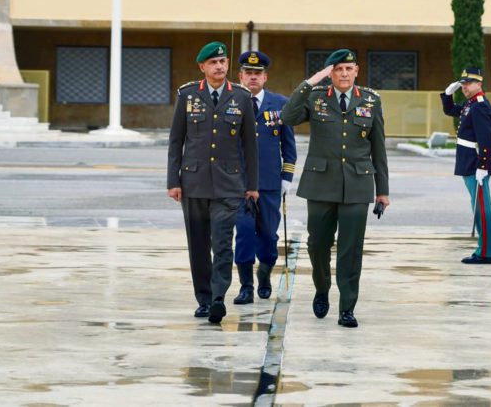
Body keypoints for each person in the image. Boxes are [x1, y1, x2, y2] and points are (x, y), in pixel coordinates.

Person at [280, 48, 390, 329]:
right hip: (320, 184)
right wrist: (310, 82)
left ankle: (347, 308)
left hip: (357, 184)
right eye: (338, 69)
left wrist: (383, 191)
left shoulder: (370, 100)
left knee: (351, 250)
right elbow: (287, 116)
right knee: (317, 244)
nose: (343, 74)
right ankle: (322, 288)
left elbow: (379, 149)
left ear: (356, 72)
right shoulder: (316, 97)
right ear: (331, 73)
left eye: (348, 69)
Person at [166, 41, 259, 324]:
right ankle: (203, 300)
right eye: (213, 62)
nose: (219, 66)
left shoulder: (241, 96)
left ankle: (219, 297)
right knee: (198, 244)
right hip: (193, 182)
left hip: (229, 184)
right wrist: (174, 181)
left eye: (223, 61)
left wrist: (251, 185)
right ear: (202, 67)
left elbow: (250, 147)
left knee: (222, 243)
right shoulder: (188, 94)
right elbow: (176, 141)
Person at [232, 50, 296, 304]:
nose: (253, 78)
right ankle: (246, 285)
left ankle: (265, 274)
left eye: (258, 74)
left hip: (269, 183)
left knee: (268, 236)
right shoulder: (232, 101)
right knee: (245, 233)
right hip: (239, 183)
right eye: (248, 73)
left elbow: (288, 145)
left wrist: (286, 177)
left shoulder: (280, 104)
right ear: (240, 76)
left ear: (265, 77)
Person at [441, 67, 491, 264]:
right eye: (463, 84)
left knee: (482, 208)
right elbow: (450, 110)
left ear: (479, 84)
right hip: (469, 162)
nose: (464, 87)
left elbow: (486, 139)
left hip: (475, 162)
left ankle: (485, 253)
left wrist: (483, 165)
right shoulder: (471, 104)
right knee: (478, 206)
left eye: (468, 83)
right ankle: (483, 249)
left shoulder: (480, 106)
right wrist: (448, 94)